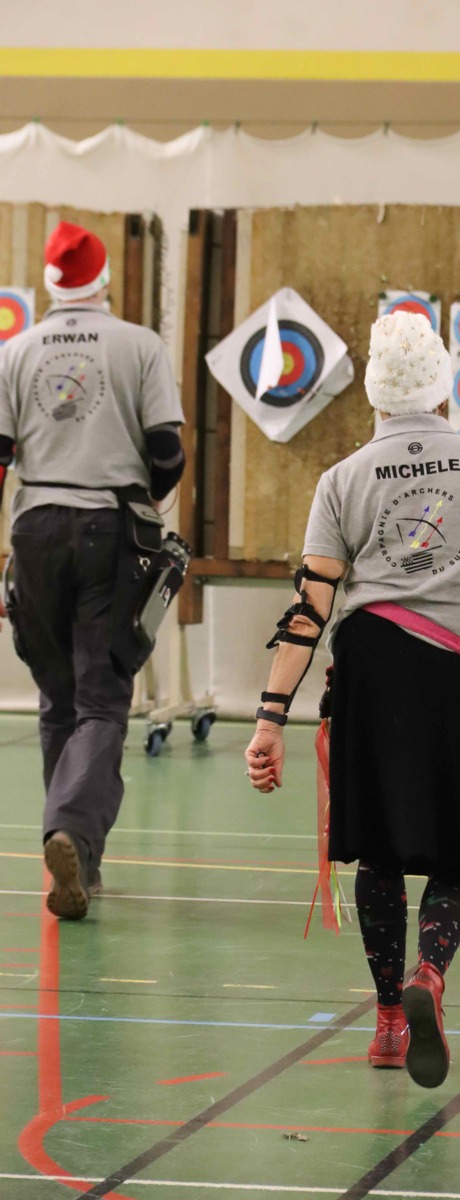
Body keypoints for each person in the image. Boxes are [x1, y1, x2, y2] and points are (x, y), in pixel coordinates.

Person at [246, 310, 460, 1088]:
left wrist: (270, 720)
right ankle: (431, 975)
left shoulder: (342, 479)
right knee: (457, 849)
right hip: (459, 675)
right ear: (444, 388)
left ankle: (387, 1022)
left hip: (369, 671)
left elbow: (309, 609)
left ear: (375, 395)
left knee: (379, 852)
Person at [0, 221, 185, 920]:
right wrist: (147, 500)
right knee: (102, 699)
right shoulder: (139, 344)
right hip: (110, 528)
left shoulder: (14, 351)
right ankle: (73, 835)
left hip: (34, 529)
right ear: (104, 280)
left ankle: (79, 858)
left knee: (57, 698)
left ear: (50, 283)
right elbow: (166, 452)